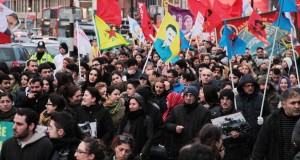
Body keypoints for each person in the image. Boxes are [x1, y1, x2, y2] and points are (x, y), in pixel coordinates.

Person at [252, 88, 300, 160]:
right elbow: (259, 149)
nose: (297, 106)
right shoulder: (272, 120)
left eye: (299, 102)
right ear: (283, 104)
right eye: (293, 103)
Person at [165, 86, 211, 157]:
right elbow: (166, 124)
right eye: (186, 95)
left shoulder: (204, 112)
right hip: (178, 149)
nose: (188, 98)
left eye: (191, 95)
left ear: (195, 96)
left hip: (195, 149)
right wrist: (175, 127)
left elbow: (207, 131)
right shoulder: (176, 109)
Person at [236, 74, 270, 151]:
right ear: (242, 87)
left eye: (252, 85)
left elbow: (269, 115)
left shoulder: (261, 98)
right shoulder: (236, 99)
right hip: (242, 138)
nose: (250, 88)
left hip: (258, 136)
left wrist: (263, 119)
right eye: (247, 86)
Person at [217, 89, 250, 160]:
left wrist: (238, 134)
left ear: (232, 101)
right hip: (220, 152)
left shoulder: (238, 115)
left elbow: (247, 133)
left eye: (227, 99)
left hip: (236, 153)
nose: (224, 102)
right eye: (222, 99)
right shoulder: (215, 115)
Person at [119, 93, 153, 159]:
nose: (130, 106)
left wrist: (142, 153)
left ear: (140, 106)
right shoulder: (126, 117)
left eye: (134, 104)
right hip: (124, 151)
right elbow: (120, 133)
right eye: (130, 104)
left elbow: (150, 138)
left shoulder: (146, 119)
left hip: (138, 153)